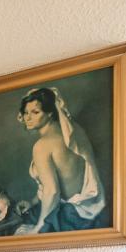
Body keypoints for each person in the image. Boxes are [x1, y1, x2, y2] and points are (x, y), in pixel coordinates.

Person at [13, 87, 105, 234]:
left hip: (66, 218)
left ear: (50, 113)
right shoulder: (74, 132)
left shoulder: (42, 146)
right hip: (87, 212)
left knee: (19, 232)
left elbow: (53, 191)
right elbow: (62, 180)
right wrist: (33, 201)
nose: (27, 118)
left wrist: (38, 229)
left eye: (35, 112)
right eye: (26, 112)